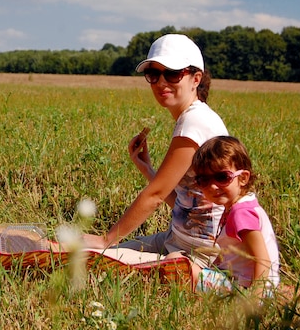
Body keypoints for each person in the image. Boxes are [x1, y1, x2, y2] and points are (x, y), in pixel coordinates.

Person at [83, 33, 228, 270]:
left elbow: (156, 195)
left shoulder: (194, 123)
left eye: (173, 73)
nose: (162, 82)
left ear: (196, 78)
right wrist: (147, 169)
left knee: (96, 259)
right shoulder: (193, 117)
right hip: (176, 239)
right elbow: (185, 204)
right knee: (96, 253)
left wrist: (106, 240)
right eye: (154, 74)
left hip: (199, 254)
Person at [173, 136, 279, 295]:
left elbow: (263, 260)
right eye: (204, 180)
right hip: (242, 281)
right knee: (180, 261)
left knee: (176, 263)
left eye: (222, 177)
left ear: (243, 178)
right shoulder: (239, 205)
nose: (213, 186)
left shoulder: (241, 213)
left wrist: (254, 302)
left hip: (247, 289)